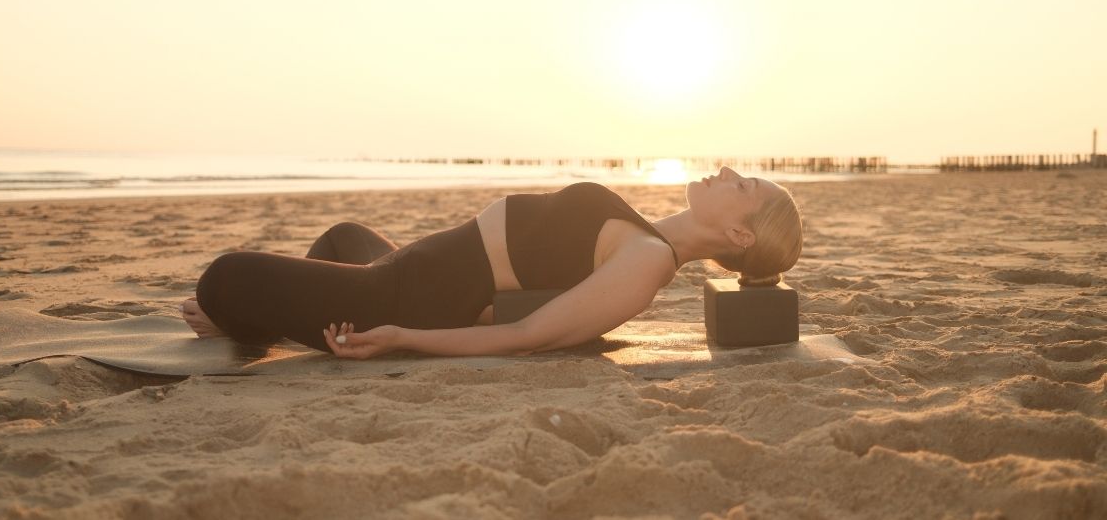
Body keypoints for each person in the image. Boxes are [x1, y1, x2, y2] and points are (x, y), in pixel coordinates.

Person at [180, 166, 803, 359]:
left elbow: (528, 335)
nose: (727, 172)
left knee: (223, 279)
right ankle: (278, 318)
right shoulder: (644, 231)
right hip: (405, 266)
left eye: (744, 186)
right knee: (344, 232)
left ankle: (254, 323)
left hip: (399, 301)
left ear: (738, 236)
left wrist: (401, 337)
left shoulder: (646, 262)